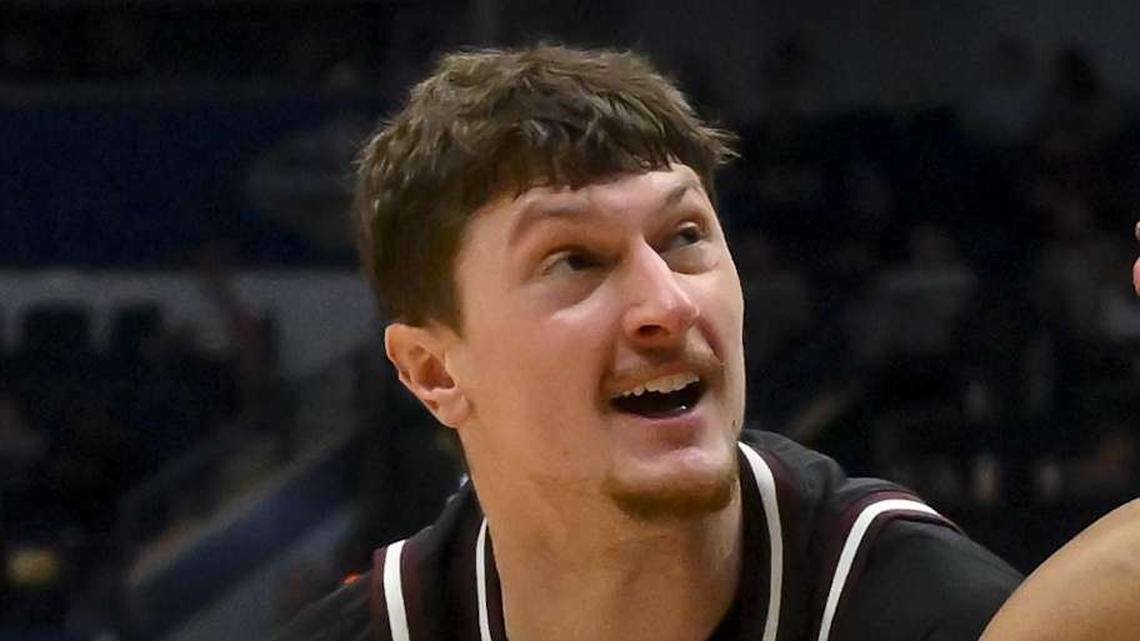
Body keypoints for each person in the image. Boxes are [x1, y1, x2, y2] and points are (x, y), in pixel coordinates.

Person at [275, 45, 1021, 641]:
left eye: (685, 236)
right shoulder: (390, 620)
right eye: (574, 259)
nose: (667, 302)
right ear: (433, 370)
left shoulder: (926, 608)